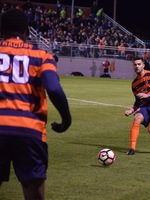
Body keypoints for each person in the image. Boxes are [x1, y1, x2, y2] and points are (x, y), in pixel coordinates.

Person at [0, 9, 72, 200]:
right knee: (34, 196)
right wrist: (66, 119)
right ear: (27, 31)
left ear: (1, 30)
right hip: (29, 131)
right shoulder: (42, 56)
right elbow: (54, 89)